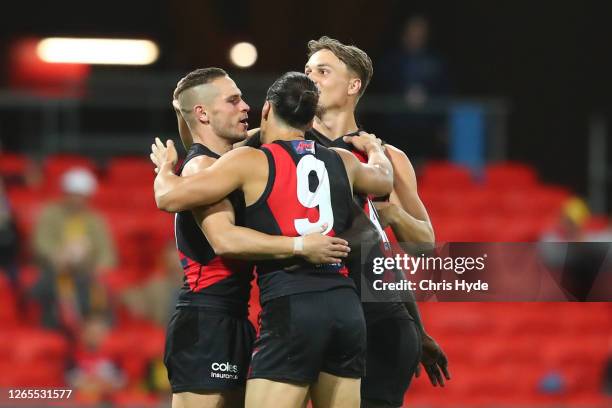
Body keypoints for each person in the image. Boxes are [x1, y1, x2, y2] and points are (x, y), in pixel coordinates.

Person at [151, 71, 394, 408]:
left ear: (268, 110)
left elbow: (250, 138)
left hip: (252, 313)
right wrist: (165, 169)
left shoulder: (245, 159)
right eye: (233, 100)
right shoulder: (206, 166)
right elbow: (221, 238)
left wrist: (167, 168)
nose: (245, 106)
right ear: (203, 114)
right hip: (209, 318)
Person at [303, 36, 450, 407]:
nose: (311, 80)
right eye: (307, 72)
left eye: (323, 71)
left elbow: (423, 246)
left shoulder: (386, 157)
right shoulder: (288, 148)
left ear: (353, 86)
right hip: (308, 311)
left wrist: (390, 212)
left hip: (376, 317)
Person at [31, 167, 116, 334]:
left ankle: (96, 328)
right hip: (56, 270)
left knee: (100, 291)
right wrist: (59, 256)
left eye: (81, 196)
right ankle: (61, 324)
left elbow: (107, 253)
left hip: (86, 273)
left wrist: (95, 267)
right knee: (57, 288)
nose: (77, 200)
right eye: (74, 195)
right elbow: (41, 243)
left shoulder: (95, 221)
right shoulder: (50, 214)